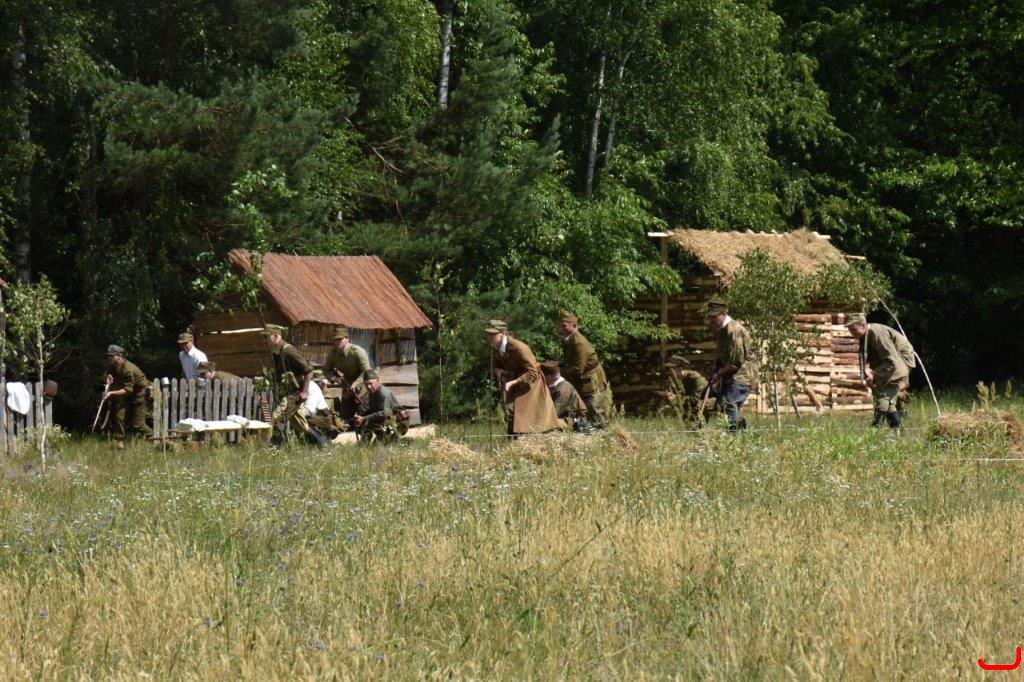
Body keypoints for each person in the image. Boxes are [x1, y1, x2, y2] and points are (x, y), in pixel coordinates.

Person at [486, 320, 562, 436]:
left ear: (502, 334)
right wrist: (497, 370)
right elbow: (494, 366)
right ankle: (513, 440)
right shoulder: (495, 348)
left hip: (531, 383)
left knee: (525, 416)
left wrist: (513, 383)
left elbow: (533, 373)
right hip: (514, 381)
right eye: (488, 334)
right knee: (508, 412)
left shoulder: (520, 348)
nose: (489, 337)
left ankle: (531, 439)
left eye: (492, 334)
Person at [846, 313, 915, 429]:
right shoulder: (864, 336)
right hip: (889, 364)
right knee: (886, 400)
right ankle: (898, 431)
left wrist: (874, 375)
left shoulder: (878, 334)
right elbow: (865, 360)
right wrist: (867, 378)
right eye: (850, 330)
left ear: (863, 325)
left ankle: (874, 431)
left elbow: (892, 361)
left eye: (853, 329)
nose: (852, 333)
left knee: (883, 397)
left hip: (900, 361)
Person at [706, 300, 759, 432]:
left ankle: (734, 436)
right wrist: (716, 370)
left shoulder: (734, 329)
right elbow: (722, 356)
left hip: (742, 376)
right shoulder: (722, 330)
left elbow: (736, 362)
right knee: (727, 405)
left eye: (714, 316)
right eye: (710, 316)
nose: (712, 320)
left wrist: (719, 375)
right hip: (731, 375)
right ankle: (744, 434)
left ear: (723, 314)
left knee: (731, 404)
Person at [262, 324, 315, 445]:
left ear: (276, 336)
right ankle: (322, 444)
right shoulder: (277, 352)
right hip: (287, 392)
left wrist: (304, 392)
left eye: (266, 337)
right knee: (301, 425)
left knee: (275, 418)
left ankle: (272, 447)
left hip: (294, 394)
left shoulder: (288, 351)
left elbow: (309, 372)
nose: (264, 341)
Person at [557, 311, 612, 428]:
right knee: (584, 408)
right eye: (559, 325)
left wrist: (556, 372)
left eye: (564, 326)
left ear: (574, 326)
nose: (560, 328)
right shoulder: (569, 339)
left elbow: (577, 369)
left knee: (594, 408)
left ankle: (603, 432)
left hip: (592, 379)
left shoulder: (578, 343)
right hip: (583, 378)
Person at [102, 344, 152, 446]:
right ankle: (120, 443)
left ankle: (157, 439)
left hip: (140, 394)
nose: (109, 358)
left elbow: (128, 390)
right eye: (108, 356)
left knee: (138, 424)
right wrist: (107, 376)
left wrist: (110, 393)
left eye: (111, 356)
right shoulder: (113, 365)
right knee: (119, 415)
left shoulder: (127, 369)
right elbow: (105, 375)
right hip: (129, 394)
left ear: (119, 357)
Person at [323, 325, 372, 420]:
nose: (337, 342)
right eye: (335, 340)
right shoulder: (332, 354)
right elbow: (326, 370)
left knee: (364, 414)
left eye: (340, 339)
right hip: (347, 387)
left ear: (347, 339)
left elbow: (367, 371)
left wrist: (356, 384)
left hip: (363, 387)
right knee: (344, 417)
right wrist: (334, 379)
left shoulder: (357, 351)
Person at [353, 370, 409, 443]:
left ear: (378, 381)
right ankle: (389, 440)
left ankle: (364, 444)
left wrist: (364, 418)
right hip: (389, 421)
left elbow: (383, 414)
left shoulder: (383, 394)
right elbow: (373, 410)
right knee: (377, 445)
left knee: (369, 423)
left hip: (400, 424)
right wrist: (360, 417)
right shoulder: (372, 392)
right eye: (366, 384)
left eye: (370, 383)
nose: (368, 386)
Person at [540, 360, 589, 431]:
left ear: (548, 378)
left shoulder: (562, 390)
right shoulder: (558, 385)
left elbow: (553, 414)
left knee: (544, 424)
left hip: (570, 421)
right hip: (565, 417)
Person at [661, 354, 709, 422]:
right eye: (669, 369)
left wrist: (675, 398)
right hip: (693, 403)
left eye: (672, 368)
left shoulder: (695, 377)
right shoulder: (676, 379)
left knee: (693, 408)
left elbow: (694, 399)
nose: (670, 371)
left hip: (706, 401)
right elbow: (680, 395)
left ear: (681, 368)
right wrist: (667, 395)